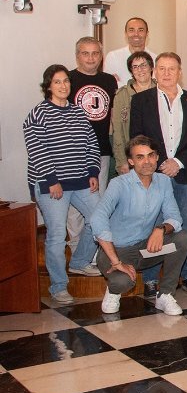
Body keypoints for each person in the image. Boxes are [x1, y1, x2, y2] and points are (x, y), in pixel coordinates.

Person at [129, 52, 187, 295]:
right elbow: (137, 137)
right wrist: (162, 162)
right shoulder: (141, 100)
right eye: (161, 68)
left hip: (184, 174)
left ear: (179, 71)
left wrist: (179, 162)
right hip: (154, 175)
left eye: (171, 68)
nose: (166, 73)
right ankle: (151, 279)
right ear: (154, 72)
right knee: (153, 226)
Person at [24, 64, 103, 304]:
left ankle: (79, 262)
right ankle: (58, 286)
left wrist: (92, 171)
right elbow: (36, 151)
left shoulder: (79, 113)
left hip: (80, 180)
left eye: (66, 81)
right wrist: (51, 180)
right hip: (51, 184)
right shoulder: (37, 114)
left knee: (99, 219)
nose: (63, 86)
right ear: (48, 86)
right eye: (57, 82)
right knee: (57, 234)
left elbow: (92, 144)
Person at [91, 136, 187, 317]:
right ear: (131, 161)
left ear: (157, 157)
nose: (147, 161)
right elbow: (97, 219)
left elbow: (174, 217)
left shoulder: (163, 182)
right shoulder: (118, 184)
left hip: (145, 250)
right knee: (123, 283)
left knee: (182, 238)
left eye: (150, 155)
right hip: (114, 251)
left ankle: (165, 294)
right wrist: (116, 262)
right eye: (140, 157)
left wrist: (161, 229)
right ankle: (113, 292)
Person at [68, 37, 117, 246]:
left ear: (101, 56)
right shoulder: (67, 79)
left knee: (98, 201)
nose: (90, 58)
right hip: (73, 152)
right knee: (74, 206)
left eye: (95, 53)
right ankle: (75, 245)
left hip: (100, 150)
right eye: (85, 53)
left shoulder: (109, 80)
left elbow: (113, 116)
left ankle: (95, 248)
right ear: (77, 55)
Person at [111, 51, 155, 177]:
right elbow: (118, 131)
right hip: (132, 157)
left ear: (151, 67)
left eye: (143, 65)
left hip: (157, 156)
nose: (140, 70)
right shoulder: (122, 95)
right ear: (131, 71)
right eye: (135, 67)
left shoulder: (161, 90)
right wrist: (122, 161)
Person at [104, 17, 158, 89]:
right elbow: (109, 84)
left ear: (147, 33)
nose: (136, 34)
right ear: (126, 33)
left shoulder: (155, 59)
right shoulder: (113, 57)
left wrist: (120, 84)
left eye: (141, 30)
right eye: (131, 30)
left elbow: (156, 86)